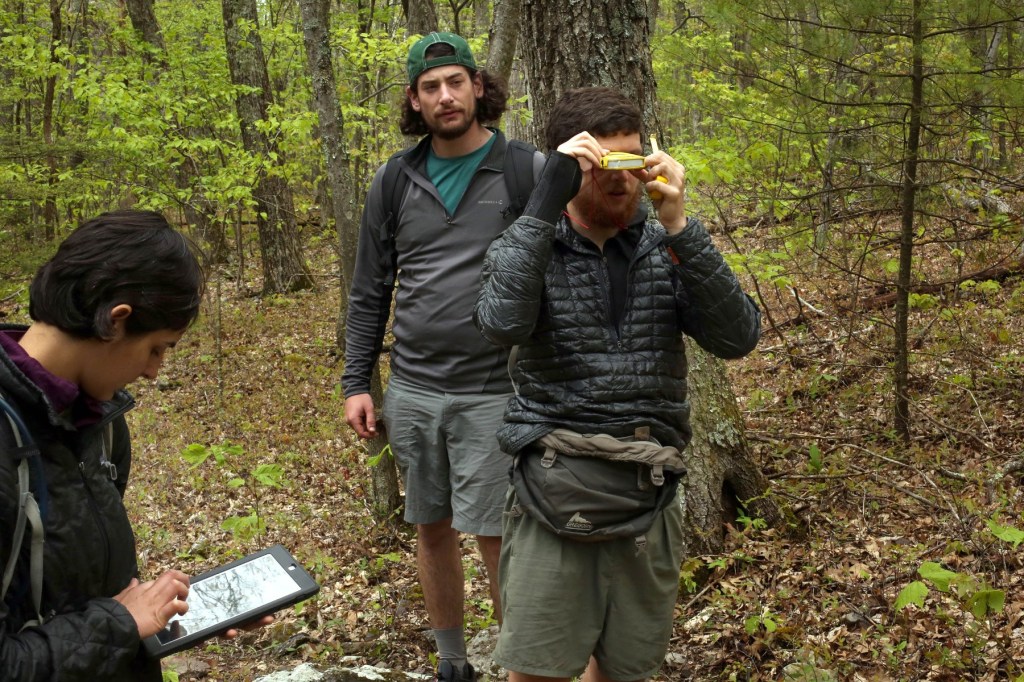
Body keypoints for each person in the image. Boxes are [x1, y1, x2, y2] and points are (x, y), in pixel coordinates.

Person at [474, 87, 761, 682]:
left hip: (647, 489)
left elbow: (737, 338)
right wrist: (545, 202)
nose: (619, 178)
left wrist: (680, 225)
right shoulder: (530, 243)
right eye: (599, 162)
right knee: (536, 671)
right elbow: (502, 324)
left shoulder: (665, 245)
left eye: (630, 160)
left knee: (626, 672)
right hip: (553, 486)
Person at [342, 32, 544, 682]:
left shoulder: (524, 170)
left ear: (478, 86)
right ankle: (453, 662)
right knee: (430, 525)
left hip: (496, 389)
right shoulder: (394, 180)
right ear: (414, 99)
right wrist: (357, 381)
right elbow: (370, 289)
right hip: (413, 388)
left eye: (456, 81)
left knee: (498, 534)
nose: (445, 95)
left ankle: (522, 667)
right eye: (430, 87)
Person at [0, 210, 253, 681]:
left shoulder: (100, 423)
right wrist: (120, 622)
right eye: (157, 348)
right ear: (116, 321)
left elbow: (91, 598)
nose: (154, 371)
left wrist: (164, 614)